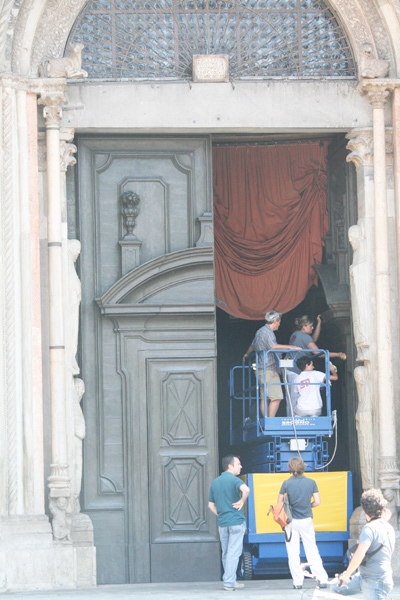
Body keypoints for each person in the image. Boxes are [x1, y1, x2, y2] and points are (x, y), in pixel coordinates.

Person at [332, 488, 395, 600]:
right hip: (366, 577)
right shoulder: (388, 527)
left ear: (364, 510)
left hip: (375, 581)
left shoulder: (369, 529)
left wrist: (346, 575)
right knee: (336, 588)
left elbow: (359, 555)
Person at [277, 457, 329, 590]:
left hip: (291, 522)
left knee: (293, 552)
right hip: (306, 520)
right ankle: (322, 579)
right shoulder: (311, 482)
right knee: (312, 550)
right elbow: (317, 502)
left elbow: (279, 503)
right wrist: (308, 506)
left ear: (290, 468)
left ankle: (298, 582)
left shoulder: (286, 484)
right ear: (303, 468)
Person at [243, 310, 301, 417]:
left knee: (264, 397)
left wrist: (246, 354)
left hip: (261, 369)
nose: (279, 324)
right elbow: (273, 347)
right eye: (279, 322)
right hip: (269, 369)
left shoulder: (260, 331)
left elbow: (252, 345)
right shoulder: (268, 333)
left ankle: (266, 420)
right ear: (275, 321)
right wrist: (291, 347)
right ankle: (270, 421)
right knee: (277, 397)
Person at [208, 455, 250, 591]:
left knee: (226, 552)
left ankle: (230, 580)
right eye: (238, 464)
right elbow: (246, 489)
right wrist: (242, 501)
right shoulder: (235, 480)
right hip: (236, 521)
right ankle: (229, 582)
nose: (241, 466)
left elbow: (210, 505)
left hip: (223, 522)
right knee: (233, 552)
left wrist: (220, 514)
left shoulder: (215, 482)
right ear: (230, 466)